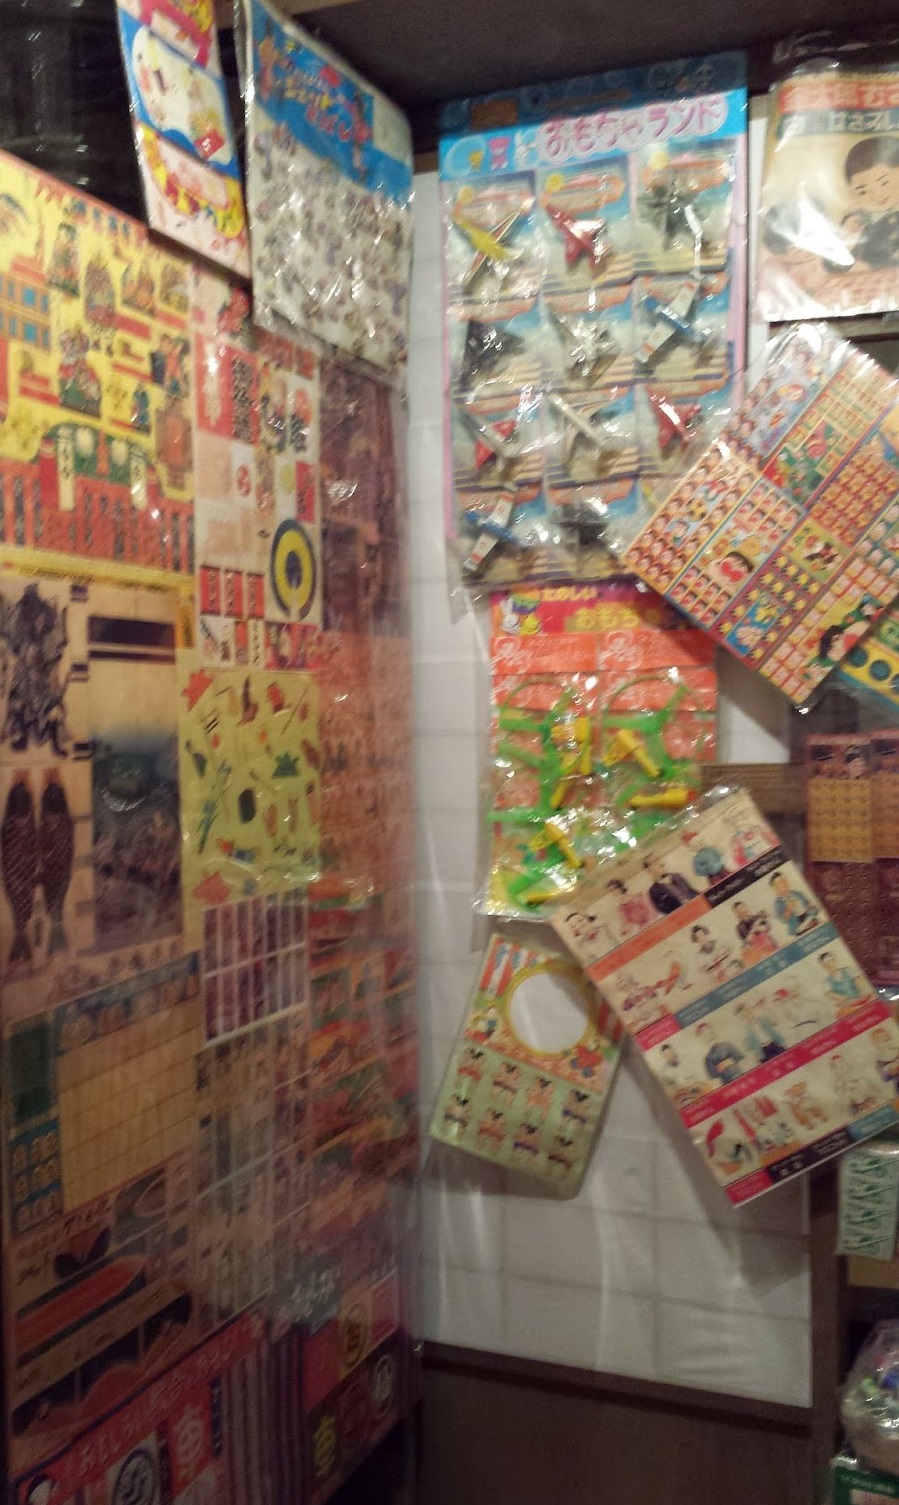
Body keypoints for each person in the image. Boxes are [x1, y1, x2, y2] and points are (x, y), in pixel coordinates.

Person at [696, 1019, 744, 1086]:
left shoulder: (727, 1046)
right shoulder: (708, 1059)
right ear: (702, 1038)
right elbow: (714, 1080)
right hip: (728, 1085)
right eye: (704, 1035)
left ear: (713, 1032)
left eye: (708, 1032)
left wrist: (729, 1062)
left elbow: (743, 1060)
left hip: (742, 1077)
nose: (707, 1036)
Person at [736, 999, 786, 1064]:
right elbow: (747, 1048)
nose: (747, 1014)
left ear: (751, 1010)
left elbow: (775, 1022)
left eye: (748, 1011)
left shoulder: (763, 1018)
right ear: (742, 1018)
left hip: (775, 1045)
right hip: (762, 1052)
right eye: (744, 1015)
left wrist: (765, 1008)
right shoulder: (746, 1030)